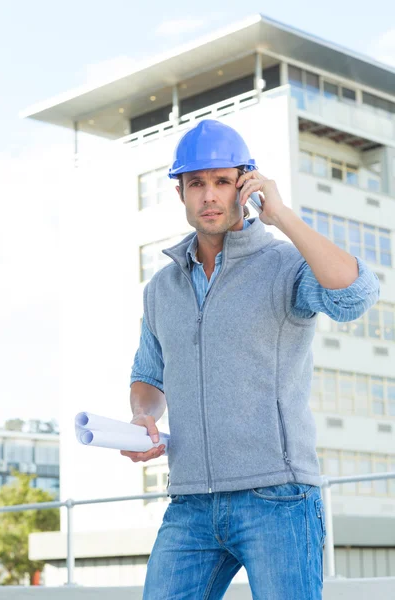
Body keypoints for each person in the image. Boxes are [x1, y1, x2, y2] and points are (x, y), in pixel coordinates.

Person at [121, 119, 380, 599]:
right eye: (196, 183)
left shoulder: (285, 265)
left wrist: (282, 216)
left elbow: (355, 296)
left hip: (277, 496)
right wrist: (143, 415)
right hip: (191, 500)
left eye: (222, 181)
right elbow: (148, 376)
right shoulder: (162, 288)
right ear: (180, 192)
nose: (209, 196)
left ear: (246, 184)